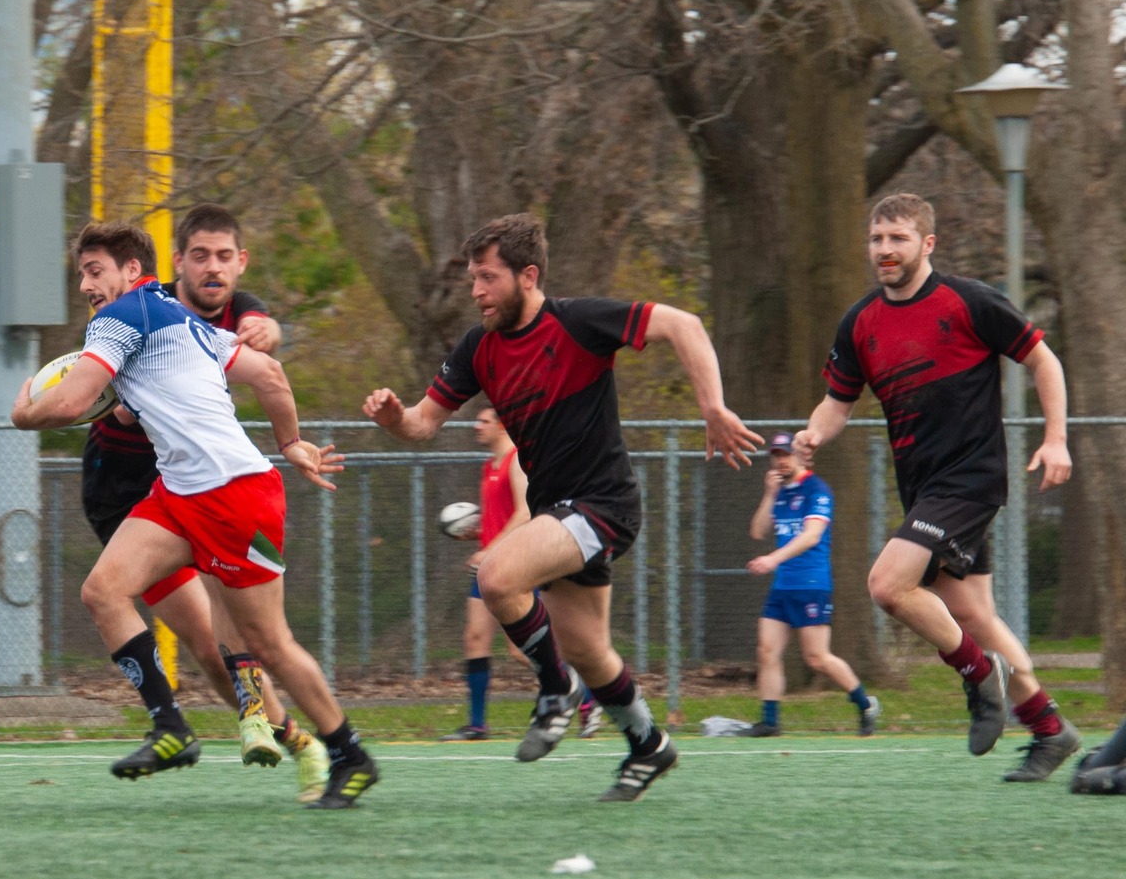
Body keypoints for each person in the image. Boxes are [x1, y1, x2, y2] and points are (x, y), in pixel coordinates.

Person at [363, 213, 762, 802]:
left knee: (497, 576)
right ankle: (649, 745)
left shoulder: (578, 321)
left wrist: (713, 408)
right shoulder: (479, 347)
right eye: (473, 278)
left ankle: (554, 690)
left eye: (487, 278)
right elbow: (423, 423)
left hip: (603, 504)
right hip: (560, 512)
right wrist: (395, 417)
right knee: (587, 648)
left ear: (528, 276)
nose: (476, 292)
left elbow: (684, 324)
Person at [14, 220, 382, 809]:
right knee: (104, 591)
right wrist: (289, 443)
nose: (85, 284)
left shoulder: (119, 318)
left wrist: (24, 412)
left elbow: (71, 402)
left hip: (236, 496)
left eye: (94, 270)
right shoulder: (178, 316)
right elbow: (269, 374)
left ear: (132, 270)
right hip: (181, 492)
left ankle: (349, 753)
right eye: (81, 272)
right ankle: (171, 729)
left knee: (270, 644)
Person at [800, 192, 1077, 781]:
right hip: (924, 489)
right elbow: (837, 404)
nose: (885, 250)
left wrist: (1055, 439)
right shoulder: (860, 322)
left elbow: (1044, 361)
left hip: (970, 480)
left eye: (897, 238)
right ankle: (1050, 728)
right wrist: (811, 436)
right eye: (877, 239)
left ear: (927, 244)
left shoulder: (969, 301)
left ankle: (980, 676)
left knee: (887, 584)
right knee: (973, 612)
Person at [76, 202, 329, 800]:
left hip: (209, 492)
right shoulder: (138, 306)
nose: (212, 268)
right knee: (207, 647)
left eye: (224, 257)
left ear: (240, 264)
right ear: (174, 267)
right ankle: (295, 739)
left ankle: (296, 737)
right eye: (199, 256)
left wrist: (274, 336)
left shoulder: (235, 316)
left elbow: (261, 352)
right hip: (135, 499)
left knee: (242, 638)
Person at [744, 433, 878, 737]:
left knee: (817, 658)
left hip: (812, 584)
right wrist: (768, 494)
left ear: (799, 456)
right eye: (776, 455)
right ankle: (770, 721)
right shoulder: (778, 492)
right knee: (766, 650)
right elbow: (757, 530)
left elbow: (811, 536)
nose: (781, 460)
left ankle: (865, 703)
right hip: (783, 587)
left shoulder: (817, 490)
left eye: (786, 454)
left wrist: (773, 559)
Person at [448, 405, 539, 741]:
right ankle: (476, 725)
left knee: (519, 648)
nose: (477, 426)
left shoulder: (517, 459)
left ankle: (581, 690)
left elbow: (526, 513)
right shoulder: (489, 466)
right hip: (489, 565)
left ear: (502, 426)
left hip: (515, 563)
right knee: (474, 639)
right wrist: (477, 536)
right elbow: (499, 518)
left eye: (483, 421)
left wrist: (490, 548)